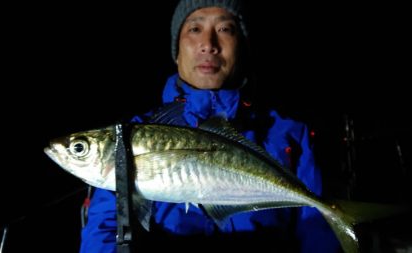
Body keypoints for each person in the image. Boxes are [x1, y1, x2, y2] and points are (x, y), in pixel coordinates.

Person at [80, 0, 341, 252]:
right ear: (176, 50)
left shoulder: (290, 134)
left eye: (225, 29)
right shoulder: (130, 134)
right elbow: (104, 226)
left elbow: (317, 225)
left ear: (243, 46)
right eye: (195, 28)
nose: (208, 44)